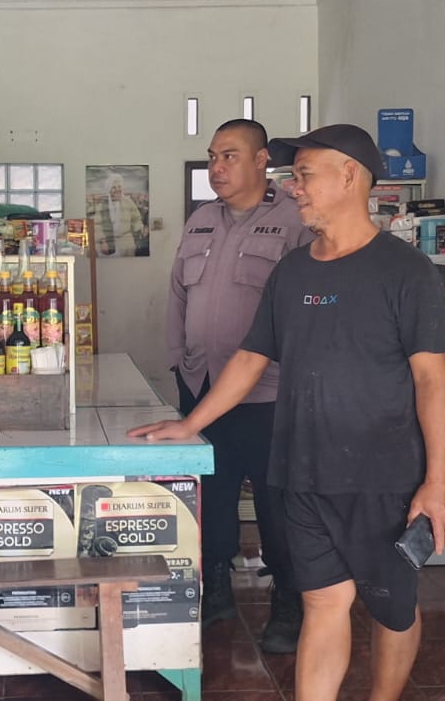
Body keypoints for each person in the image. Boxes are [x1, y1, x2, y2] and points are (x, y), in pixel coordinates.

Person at [131, 124, 445, 701]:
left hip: (382, 478)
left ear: (349, 176)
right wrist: (190, 424)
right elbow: (251, 357)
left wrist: (440, 480)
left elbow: (433, 381)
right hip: (302, 471)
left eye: (304, 175)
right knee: (323, 602)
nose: (294, 187)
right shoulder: (293, 271)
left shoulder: (406, 271)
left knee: (391, 610)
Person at [169, 118, 312, 653]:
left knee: (276, 503)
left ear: (261, 160)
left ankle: (288, 602)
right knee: (210, 496)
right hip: (201, 384)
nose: (216, 167)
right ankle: (216, 592)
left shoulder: (294, 218)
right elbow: (178, 297)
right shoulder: (201, 220)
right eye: (212, 156)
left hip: (270, 393)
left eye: (229, 155)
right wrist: (177, 361)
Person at [91, 171, 149, 257]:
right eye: (114, 187)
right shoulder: (102, 205)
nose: (117, 189)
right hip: (108, 243)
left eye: (119, 186)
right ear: (109, 190)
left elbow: (136, 219)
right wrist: (102, 241)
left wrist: (141, 229)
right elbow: (96, 225)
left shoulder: (128, 202)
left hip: (126, 242)